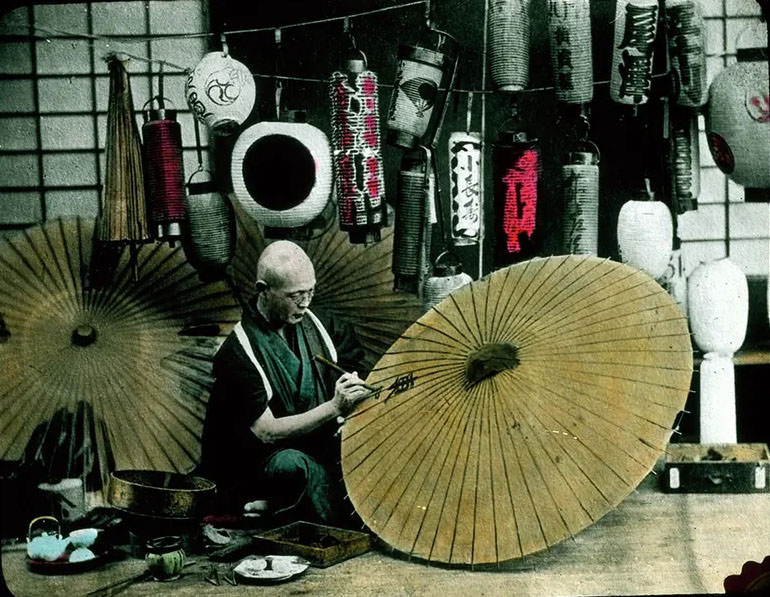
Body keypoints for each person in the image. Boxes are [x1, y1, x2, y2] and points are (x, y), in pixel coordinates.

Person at [197, 240, 370, 526]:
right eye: (295, 295)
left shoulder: (322, 325)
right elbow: (266, 432)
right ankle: (287, 509)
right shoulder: (238, 352)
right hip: (260, 462)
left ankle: (286, 507)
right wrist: (335, 406)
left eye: (310, 291)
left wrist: (354, 391)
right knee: (293, 465)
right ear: (263, 290)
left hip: (321, 442)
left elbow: (354, 368)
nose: (306, 303)